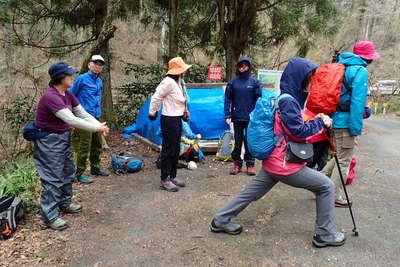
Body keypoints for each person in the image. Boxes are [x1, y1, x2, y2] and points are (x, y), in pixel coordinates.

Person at [210, 58, 346, 248]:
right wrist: (320, 122)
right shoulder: (289, 102)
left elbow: (290, 127)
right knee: (326, 186)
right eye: (308, 78)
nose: (311, 82)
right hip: (284, 164)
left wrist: (315, 118)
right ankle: (324, 234)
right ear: (299, 78)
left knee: (250, 192)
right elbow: (298, 132)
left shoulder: (285, 98)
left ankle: (220, 219)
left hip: (274, 160)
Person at [33, 62, 109, 230]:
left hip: (63, 138)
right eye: (69, 75)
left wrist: (98, 124)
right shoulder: (51, 97)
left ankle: (64, 202)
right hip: (49, 141)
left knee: (67, 171)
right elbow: (71, 119)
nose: (72, 77)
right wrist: (97, 128)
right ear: (60, 78)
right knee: (53, 177)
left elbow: (81, 113)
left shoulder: (67, 94)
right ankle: (50, 216)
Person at [322, 41, 380, 208]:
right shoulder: (359, 71)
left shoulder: (341, 66)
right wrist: (356, 128)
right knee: (344, 161)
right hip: (346, 123)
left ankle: (319, 182)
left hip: (335, 120)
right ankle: (334, 196)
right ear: (367, 58)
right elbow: (357, 102)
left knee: (340, 157)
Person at [149, 57, 191, 192]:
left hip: (177, 118)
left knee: (176, 148)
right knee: (168, 150)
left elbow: (181, 99)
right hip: (169, 119)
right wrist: (152, 112)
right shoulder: (167, 82)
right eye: (183, 69)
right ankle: (164, 179)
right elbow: (156, 97)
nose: (185, 72)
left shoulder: (179, 81)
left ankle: (173, 176)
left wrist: (185, 111)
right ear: (177, 70)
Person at [69, 55, 109, 184]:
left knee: (97, 144)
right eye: (95, 63)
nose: (98, 66)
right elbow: (70, 95)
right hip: (83, 117)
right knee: (85, 145)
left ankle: (95, 168)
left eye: (100, 64)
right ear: (89, 65)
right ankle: (79, 173)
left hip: (96, 116)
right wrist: (71, 115)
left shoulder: (99, 81)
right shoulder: (81, 79)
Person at [224, 57, 261, 176]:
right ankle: (237, 164)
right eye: (240, 65)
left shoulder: (255, 82)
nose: (243, 67)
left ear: (249, 67)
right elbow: (227, 99)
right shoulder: (232, 83)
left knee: (249, 141)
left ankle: (250, 165)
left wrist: (258, 115)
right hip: (237, 117)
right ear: (238, 67)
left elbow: (259, 99)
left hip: (251, 118)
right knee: (238, 141)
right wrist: (227, 114)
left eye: (245, 65)